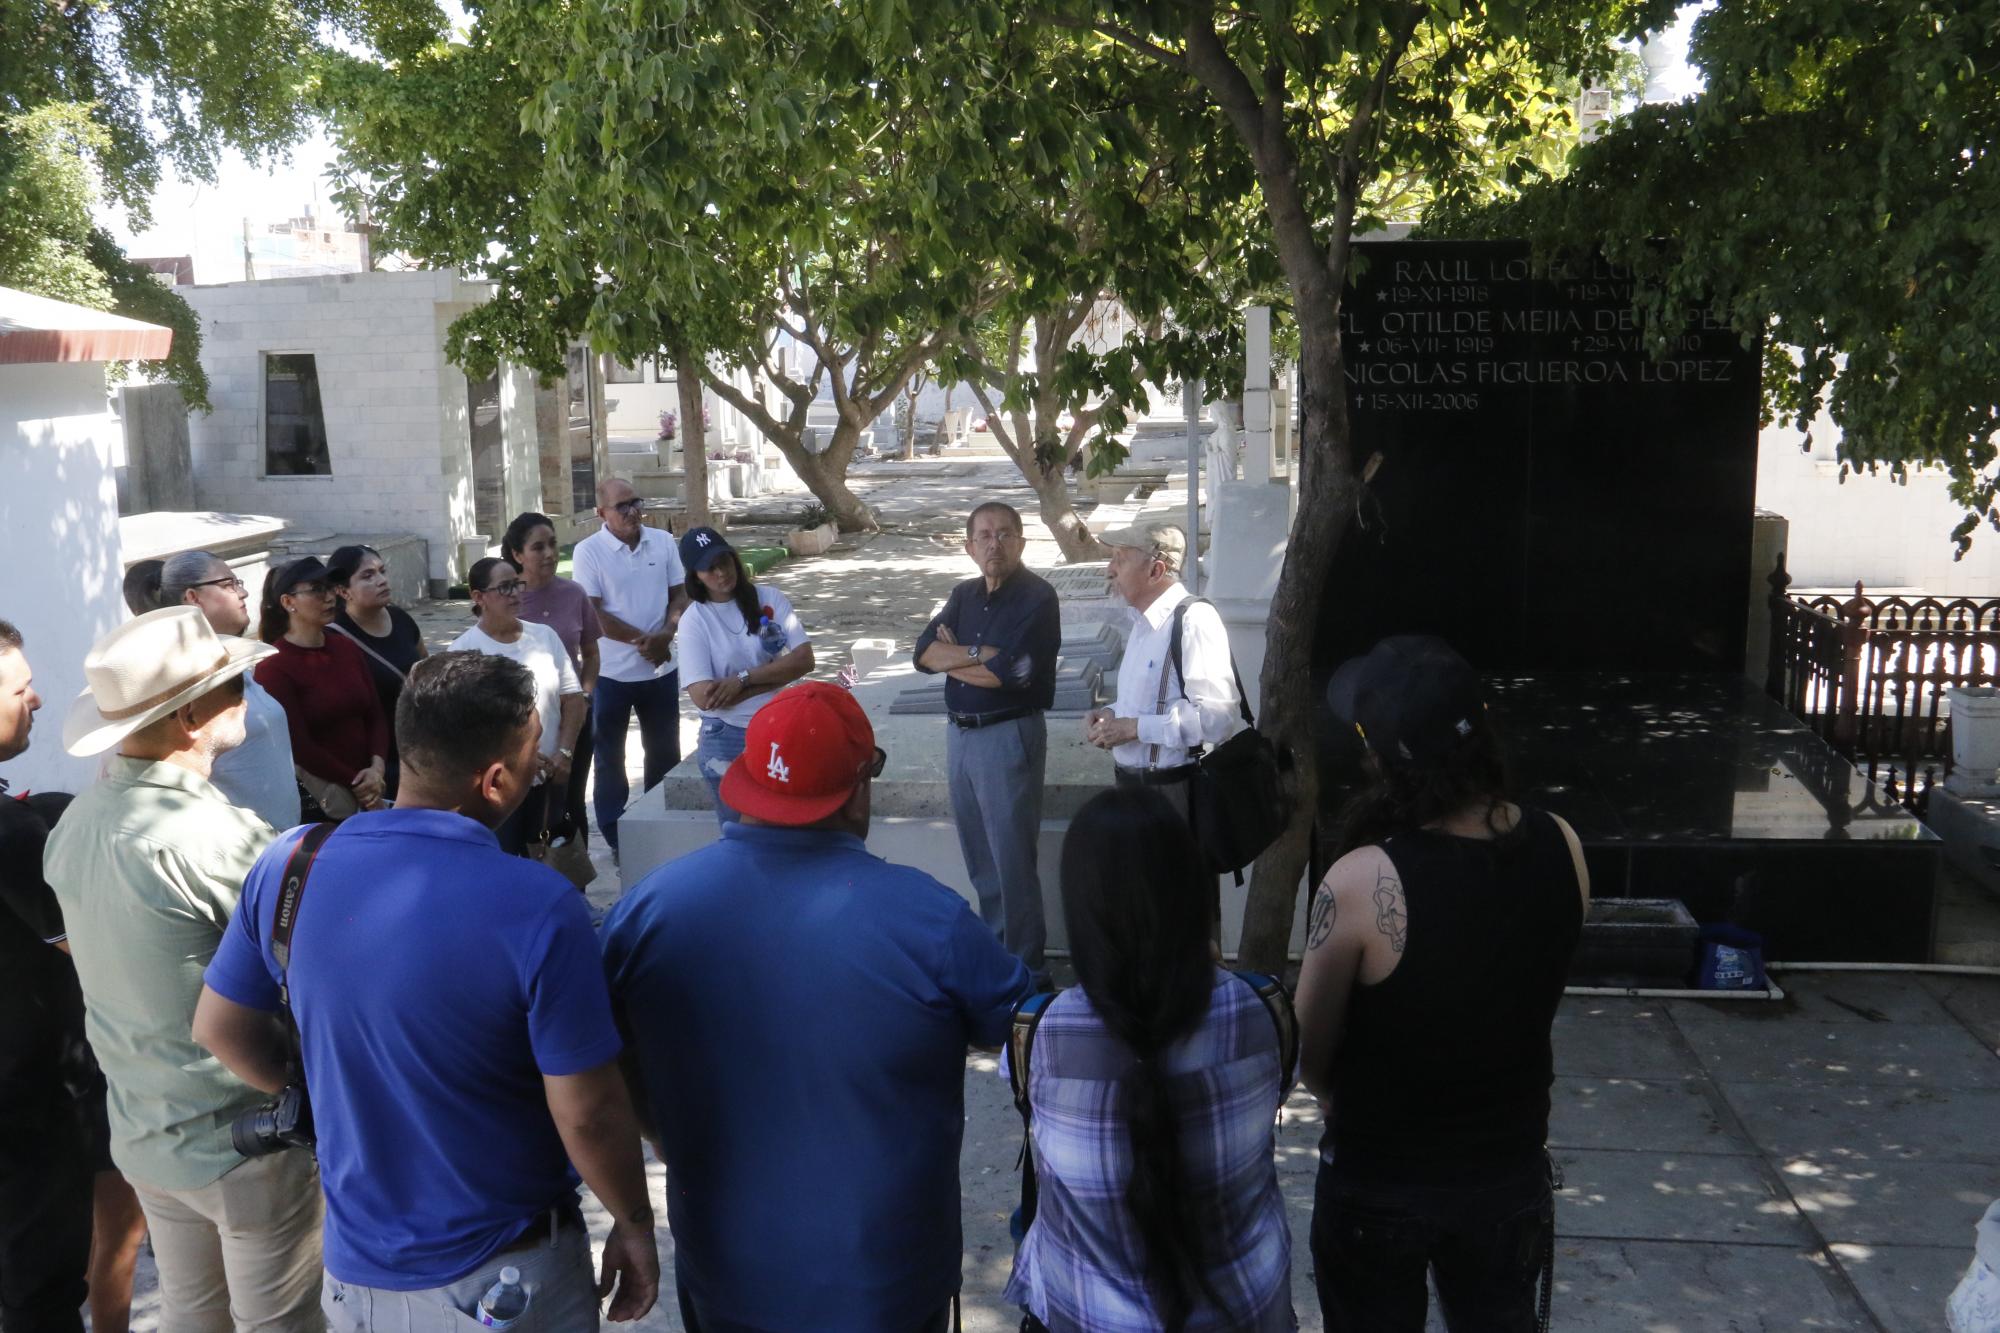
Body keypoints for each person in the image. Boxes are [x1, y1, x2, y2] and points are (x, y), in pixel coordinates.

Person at [195, 651, 659, 1330]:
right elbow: (587, 1110)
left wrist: (332, 1095)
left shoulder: (291, 864)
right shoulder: (537, 904)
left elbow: (218, 1028)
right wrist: (634, 1219)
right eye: (533, 755)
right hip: (505, 1276)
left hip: (357, 1278)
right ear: (496, 779)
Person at [602, 683, 1033, 1333]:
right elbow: (1035, 1031)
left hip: (726, 1273)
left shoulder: (649, 910)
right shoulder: (927, 917)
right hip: (886, 1284)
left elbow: (593, 1056)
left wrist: (657, 1130)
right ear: (858, 788)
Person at [1293, 635, 1589, 1332]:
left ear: (1379, 759)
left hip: (1379, 1182)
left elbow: (1307, 1053)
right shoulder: (1564, 844)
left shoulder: (1362, 881)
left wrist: (1343, 1100)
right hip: (1507, 1171)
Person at [42, 608, 323, 1333]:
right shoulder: (215, 838)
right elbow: (318, 971)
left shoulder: (78, 821)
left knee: (196, 1318)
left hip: (148, 1129)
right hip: (246, 1137)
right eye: (232, 681)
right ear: (193, 713)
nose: (247, 688)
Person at [1005, 786, 1294, 1333]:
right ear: (1191, 893)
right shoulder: (1264, 1011)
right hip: (1248, 1313)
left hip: (1087, 1317)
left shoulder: (1040, 1031)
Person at [913, 501, 1061, 981]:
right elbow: (923, 654)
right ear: (969, 546)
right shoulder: (963, 594)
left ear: (1020, 540)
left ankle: (1026, 972)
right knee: (980, 859)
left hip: (1008, 736)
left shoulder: (1038, 598)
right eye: (984, 535)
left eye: (1003, 534)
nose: (993, 544)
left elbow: (1015, 673)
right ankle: (998, 961)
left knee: (1012, 862)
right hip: (960, 737)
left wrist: (956, 659)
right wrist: (979, 655)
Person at [0, 622, 95, 1333]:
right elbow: (86, 944)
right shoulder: (12, 833)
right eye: (19, 687)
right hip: (24, 1105)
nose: (35, 698)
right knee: (40, 1292)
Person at [1085, 522, 1241, 821]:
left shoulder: (1194, 621)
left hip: (1173, 794)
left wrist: (1134, 728)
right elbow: (1149, 701)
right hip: (1133, 789)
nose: (1109, 569)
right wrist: (1111, 715)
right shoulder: (1143, 623)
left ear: (1155, 571)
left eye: (1120, 558)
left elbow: (1217, 720)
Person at [570, 478, 688, 856]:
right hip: (610, 674)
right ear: (600, 512)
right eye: (622, 506)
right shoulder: (588, 552)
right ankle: (617, 836)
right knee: (610, 758)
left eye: (636, 502)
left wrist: (667, 634)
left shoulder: (663, 542)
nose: (632, 511)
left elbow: (680, 593)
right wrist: (646, 642)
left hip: (660, 670)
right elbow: (591, 612)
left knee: (664, 752)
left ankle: (659, 826)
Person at [153, 551, 302, 832]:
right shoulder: (185, 680)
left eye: (239, 582)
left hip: (279, 843)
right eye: (228, 584)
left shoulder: (233, 662)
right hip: (234, 851)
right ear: (193, 598)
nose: (243, 592)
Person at [674, 525, 814, 822]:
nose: (721, 573)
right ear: (695, 576)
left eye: (723, 561)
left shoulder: (770, 597)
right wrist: (777, 674)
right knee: (739, 832)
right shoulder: (694, 621)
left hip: (777, 726)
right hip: (726, 736)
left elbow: (804, 660)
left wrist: (742, 680)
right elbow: (706, 698)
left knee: (783, 822)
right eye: (709, 568)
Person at [449, 557, 587, 856]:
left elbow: (573, 699)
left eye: (516, 584)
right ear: (478, 597)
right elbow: (461, 732)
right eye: (504, 587)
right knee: (509, 870)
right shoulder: (461, 653)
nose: (515, 593)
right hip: (499, 792)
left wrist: (564, 753)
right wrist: (516, 758)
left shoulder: (545, 636)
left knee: (559, 864)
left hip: (551, 779)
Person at [255, 556, 390, 820]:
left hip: (374, 783)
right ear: (288, 602)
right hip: (328, 798)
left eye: (329, 587)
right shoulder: (273, 666)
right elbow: (299, 745)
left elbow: (375, 713)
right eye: (317, 589)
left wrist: (377, 768)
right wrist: (358, 782)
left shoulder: (345, 646)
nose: (329, 597)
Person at [503, 512, 602, 852]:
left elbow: (590, 653)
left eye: (552, 545)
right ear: (518, 555)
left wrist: (585, 696)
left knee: (569, 804)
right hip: (521, 727)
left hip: (572, 721)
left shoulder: (574, 594)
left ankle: (575, 892)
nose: (548, 554)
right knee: (523, 808)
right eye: (537, 547)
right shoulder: (506, 600)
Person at [327, 544, 427, 797]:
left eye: (382, 571)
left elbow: (426, 668)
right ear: (342, 590)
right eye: (367, 576)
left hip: (423, 746)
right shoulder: (334, 638)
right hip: (376, 764)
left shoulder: (401, 618)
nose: (381, 580)